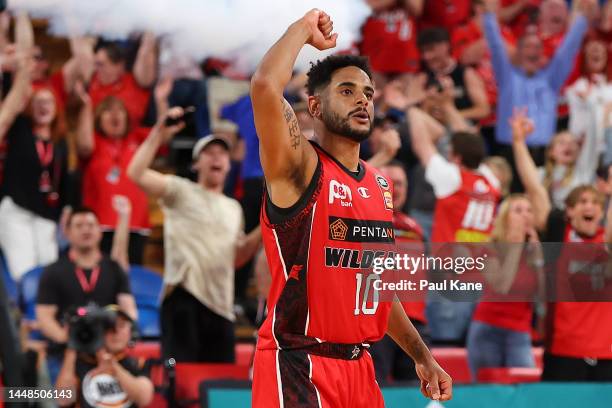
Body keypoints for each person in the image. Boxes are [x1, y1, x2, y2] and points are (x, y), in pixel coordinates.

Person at [250, 9, 452, 407]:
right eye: (346, 91)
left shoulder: (379, 184)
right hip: (299, 362)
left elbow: (375, 287)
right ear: (315, 106)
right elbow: (264, 88)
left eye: (368, 93)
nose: (362, 99)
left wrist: (422, 356)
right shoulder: (299, 166)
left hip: (361, 368)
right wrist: (302, 29)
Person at [127, 108, 262, 362]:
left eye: (222, 152)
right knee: (183, 384)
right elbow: (135, 172)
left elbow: (237, 258)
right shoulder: (181, 190)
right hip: (183, 298)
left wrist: (266, 224)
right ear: (196, 163)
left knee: (219, 389)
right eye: (209, 152)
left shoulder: (233, 208)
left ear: (229, 164)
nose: (217, 157)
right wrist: (159, 133)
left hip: (221, 305)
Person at [511, 109, 612, 381]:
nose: (589, 207)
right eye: (582, 203)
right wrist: (519, 143)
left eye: (595, 203)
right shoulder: (559, 231)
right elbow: (535, 188)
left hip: (607, 356)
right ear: (569, 211)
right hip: (563, 352)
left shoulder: (606, 236)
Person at [401, 99, 501, 344]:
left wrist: (412, 107)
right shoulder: (491, 181)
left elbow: (421, 145)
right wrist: (447, 107)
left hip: (448, 281)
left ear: (455, 156)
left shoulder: (451, 179)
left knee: (444, 352)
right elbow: (469, 138)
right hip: (479, 278)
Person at [0, 13, 69, 280]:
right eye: (37, 101)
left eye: (48, 102)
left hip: (45, 212)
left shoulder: (59, 141)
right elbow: (24, 72)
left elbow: (25, 65)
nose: (42, 106)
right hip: (17, 208)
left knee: (49, 277)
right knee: (25, 275)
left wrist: (21, 11)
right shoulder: (18, 127)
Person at [36, 206, 137, 384]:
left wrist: (121, 332)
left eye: (91, 225)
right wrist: (66, 337)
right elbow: (44, 317)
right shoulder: (53, 271)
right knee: (61, 397)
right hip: (66, 350)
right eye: (79, 225)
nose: (86, 230)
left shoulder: (114, 268)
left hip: (107, 349)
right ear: (67, 232)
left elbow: (128, 310)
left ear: (99, 231)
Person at [482, 0, 594, 156]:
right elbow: (496, 46)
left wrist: (582, 19)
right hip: (509, 150)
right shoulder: (507, 77)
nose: (533, 51)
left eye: (537, 47)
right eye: (528, 46)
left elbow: (567, 51)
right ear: (518, 52)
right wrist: (488, 15)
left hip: (544, 153)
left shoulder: (551, 80)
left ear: (542, 54)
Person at [74, 78, 165, 264]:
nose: (115, 115)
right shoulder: (95, 142)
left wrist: (161, 100)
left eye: (120, 111)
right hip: (101, 226)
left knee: (132, 281)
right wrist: (86, 106)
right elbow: (83, 146)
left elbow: (164, 134)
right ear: (99, 117)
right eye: (108, 111)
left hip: (136, 224)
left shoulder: (137, 138)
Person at [466, 193, 545, 380]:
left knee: (526, 388)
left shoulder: (534, 251)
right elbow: (501, 286)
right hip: (488, 329)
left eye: (529, 210)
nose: (525, 215)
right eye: (518, 210)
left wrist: (540, 259)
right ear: (505, 217)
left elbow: (543, 297)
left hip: (519, 331)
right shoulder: (490, 248)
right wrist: (516, 245)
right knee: (487, 393)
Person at [370, 161, 429, 384]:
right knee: (376, 388)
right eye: (391, 184)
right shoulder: (367, 223)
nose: (397, 189)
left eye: (402, 184)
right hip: (380, 323)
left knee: (417, 393)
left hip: (416, 322)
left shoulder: (415, 227)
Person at [55, 305, 154, 407]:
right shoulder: (80, 361)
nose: (116, 332)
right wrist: (72, 344)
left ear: (131, 331)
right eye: (109, 327)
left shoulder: (138, 362)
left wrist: (114, 369)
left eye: (122, 325)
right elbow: (63, 400)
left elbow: (144, 398)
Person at [417, 27, 491, 123]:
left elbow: (483, 110)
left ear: (445, 46)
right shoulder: (423, 77)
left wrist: (451, 115)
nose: (426, 56)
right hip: (434, 129)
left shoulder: (466, 73)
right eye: (423, 51)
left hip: (462, 128)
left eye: (430, 49)